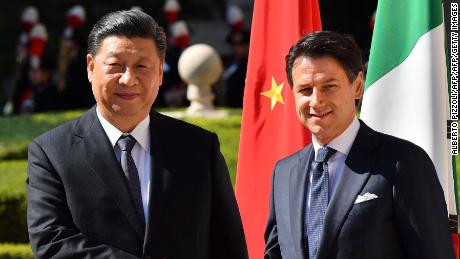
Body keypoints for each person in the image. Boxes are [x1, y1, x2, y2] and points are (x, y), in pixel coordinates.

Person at [27, 10, 248, 259]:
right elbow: (51, 243)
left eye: (141, 66)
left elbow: (228, 245)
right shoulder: (52, 152)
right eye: (115, 66)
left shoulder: (199, 147)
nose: (128, 79)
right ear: (91, 67)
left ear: (160, 73)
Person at [264, 31, 454, 259]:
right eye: (305, 90)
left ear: (357, 86)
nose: (316, 101)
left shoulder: (402, 161)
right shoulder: (284, 173)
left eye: (329, 86)